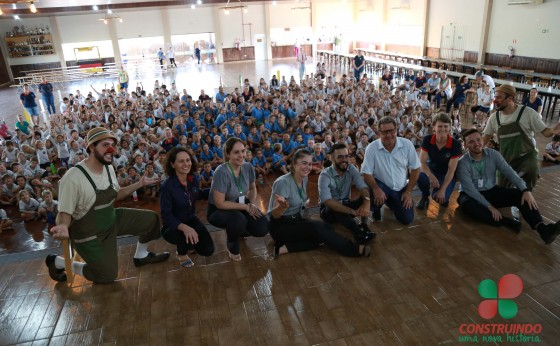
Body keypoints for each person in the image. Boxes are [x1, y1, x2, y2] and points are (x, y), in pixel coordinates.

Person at [46, 127, 169, 283]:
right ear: (91, 147)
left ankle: (141, 256)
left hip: (111, 220)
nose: (111, 149)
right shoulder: (73, 178)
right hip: (88, 234)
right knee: (107, 275)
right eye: (105, 145)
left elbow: (115, 194)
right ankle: (57, 262)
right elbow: (64, 214)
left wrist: (140, 184)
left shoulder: (109, 168)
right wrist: (63, 226)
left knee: (151, 220)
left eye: (112, 145)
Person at [456, 128, 560, 244]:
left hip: (491, 191)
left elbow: (509, 172)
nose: (476, 144)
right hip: (470, 195)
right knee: (468, 206)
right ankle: (505, 221)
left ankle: (543, 229)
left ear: (483, 139)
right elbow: (470, 190)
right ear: (465, 145)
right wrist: (490, 207)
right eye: (471, 142)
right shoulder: (462, 163)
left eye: (478, 139)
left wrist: (525, 190)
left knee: (521, 195)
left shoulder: (493, 154)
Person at [269, 149, 370, 258]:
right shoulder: (283, 182)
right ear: (294, 164)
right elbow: (274, 214)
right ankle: (354, 250)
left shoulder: (304, 178)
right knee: (317, 229)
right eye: (304, 163)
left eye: (310, 164)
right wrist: (282, 207)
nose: (308, 167)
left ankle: (283, 248)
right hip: (281, 226)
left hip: (296, 220)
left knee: (326, 230)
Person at [482, 84, 560, 190]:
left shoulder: (527, 113)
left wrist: (553, 131)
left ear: (510, 98)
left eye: (499, 97)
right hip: (506, 157)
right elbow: (484, 139)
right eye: (495, 97)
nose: (495, 101)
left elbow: (545, 132)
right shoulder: (494, 118)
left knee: (531, 170)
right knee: (503, 189)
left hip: (526, 156)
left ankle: (524, 197)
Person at [206, 138, 269, 261]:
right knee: (238, 221)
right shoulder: (221, 171)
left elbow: (252, 188)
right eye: (236, 152)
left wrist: (250, 204)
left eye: (243, 151)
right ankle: (232, 242)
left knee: (262, 228)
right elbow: (220, 203)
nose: (241, 155)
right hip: (218, 210)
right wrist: (245, 207)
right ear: (228, 154)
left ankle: (239, 229)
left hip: (241, 203)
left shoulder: (248, 167)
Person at [160, 147, 214, 268]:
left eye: (188, 160)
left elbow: (197, 193)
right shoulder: (167, 186)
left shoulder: (193, 179)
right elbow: (166, 215)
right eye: (181, 161)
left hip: (190, 219)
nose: (186, 164)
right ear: (172, 164)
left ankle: (189, 244)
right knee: (183, 236)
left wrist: (215, 191)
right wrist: (185, 228)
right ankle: (181, 253)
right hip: (172, 225)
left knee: (208, 250)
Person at [360, 116, 421, 225]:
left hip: (401, 188)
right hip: (381, 186)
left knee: (407, 219)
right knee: (373, 195)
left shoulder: (407, 144)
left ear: (396, 130)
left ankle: (390, 201)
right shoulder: (371, 148)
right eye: (384, 132)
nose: (388, 135)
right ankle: (376, 208)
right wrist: (375, 188)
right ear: (379, 132)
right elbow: (366, 172)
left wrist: (408, 191)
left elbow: (416, 168)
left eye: (391, 131)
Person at [318, 144, 376, 245]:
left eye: (346, 156)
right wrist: (351, 211)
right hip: (328, 211)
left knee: (369, 192)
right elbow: (327, 201)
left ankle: (364, 225)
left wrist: (366, 202)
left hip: (346, 204)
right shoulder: (324, 175)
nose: (344, 160)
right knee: (334, 206)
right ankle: (358, 233)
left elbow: (363, 187)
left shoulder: (351, 168)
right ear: (331, 158)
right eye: (340, 157)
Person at [416, 114, 463, 209]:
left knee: (440, 197)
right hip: (432, 169)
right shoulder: (427, 139)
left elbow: (451, 170)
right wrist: (430, 175)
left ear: (450, 128)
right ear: (434, 127)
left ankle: (444, 194)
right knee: (419, 176)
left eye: (446, 126)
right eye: (440, 126)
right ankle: (425, 196)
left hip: (446, 174)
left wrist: (442, 189)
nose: (443, 129)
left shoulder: (455, 144)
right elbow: (422, 162)